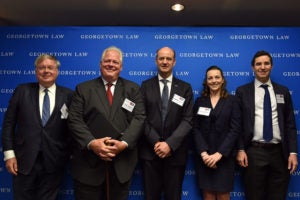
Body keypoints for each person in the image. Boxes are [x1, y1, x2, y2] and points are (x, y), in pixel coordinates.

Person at [67, 46, 145, 200]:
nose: (111, 64)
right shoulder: (83, 89)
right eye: (107, 61)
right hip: (88, 164)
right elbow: (74, 119)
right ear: (100, 64)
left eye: (115, 62)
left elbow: (139, 118)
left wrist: (123, 143)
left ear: (121, 67)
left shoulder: (133, 89)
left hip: (121, 163)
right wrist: (92, 143)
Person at [1, 54, 73, 200]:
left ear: (57, 71)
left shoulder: (68, 95)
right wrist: (9, 154)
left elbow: (72, 128)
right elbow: (8, 124)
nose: (46, 70)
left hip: (54, 161)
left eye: (50, 67)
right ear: (36, 71)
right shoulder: (22, 91)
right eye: (42, 67)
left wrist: (66, 153)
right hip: (23, 161)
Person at [236, 50, 298, 200]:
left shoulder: (282, 91)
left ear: (272, 66)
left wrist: (293, 153)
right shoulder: (242, 92)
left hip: (280, 153)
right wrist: (240, 149)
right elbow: (237, 124)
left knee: (278, 196)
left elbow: (290, 124)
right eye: (258, 64)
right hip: (254, 152)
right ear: (253, 67)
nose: (262, 67)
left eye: (266, 63)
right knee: (254, 196)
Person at [139, 46, 194, 200]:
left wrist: (169, 144)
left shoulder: (185, 88)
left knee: (174, 197)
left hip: (175, 154)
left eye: (168, 58)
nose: (165, 62)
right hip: (150, 152)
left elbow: (188, 120)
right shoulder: (145, 86)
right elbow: (141, 117)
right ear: (156, 61)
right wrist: (157, 142)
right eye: (161, 58)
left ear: (174, 62)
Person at [193, 66, 241, 200]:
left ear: (222, 80)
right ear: (206, 81)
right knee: (207, 194)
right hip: (205, 157)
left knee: (223, 194)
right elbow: (195, 128)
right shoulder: (200, 101)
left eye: (217, 77)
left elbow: (235, 129)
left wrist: (219, 154)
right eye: (210, 78)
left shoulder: (233, 101)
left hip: (224, 157)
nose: (214, 81)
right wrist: (204, 154)